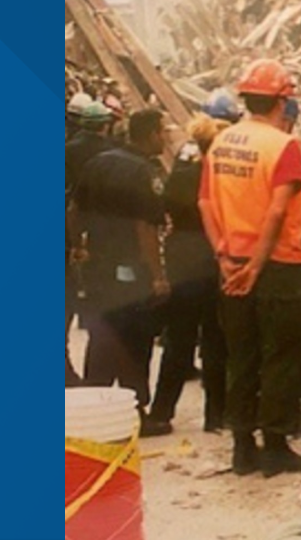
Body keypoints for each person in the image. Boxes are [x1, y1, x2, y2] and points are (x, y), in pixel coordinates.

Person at [199, 58, 301, 476]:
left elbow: (206, 203)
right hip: (278, 266)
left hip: (230, 265)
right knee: (281, 357)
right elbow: (276, 211)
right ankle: (276, 446)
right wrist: (257, 265)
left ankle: (242, 447)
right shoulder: (284, 146)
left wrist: (225, 257)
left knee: (241, 356)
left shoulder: (221, 142)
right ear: (283, 101)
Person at [74, 107, 171, 432]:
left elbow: (74, 209)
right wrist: (157, 275)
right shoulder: (145, 172)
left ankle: (93, 407)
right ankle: (134, 411)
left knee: (102, 335)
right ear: (151, 134)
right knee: (136, 340)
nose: (167, 137)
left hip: (99, 265)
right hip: (131, 269)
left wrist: (78, 246)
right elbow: (145, 227)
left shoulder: (97, 163)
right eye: (163, 131)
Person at [146, 113, 230, 435]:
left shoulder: (181, 170)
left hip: (182, 254)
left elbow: (166, 207)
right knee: (215, 339)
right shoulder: (216, 174)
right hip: (211, 254)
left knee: (179, 339)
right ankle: (216, 415)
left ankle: (161, 412)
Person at [66, 94, 117, 386]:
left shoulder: (66, 150)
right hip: (105, 235)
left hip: (71, 230)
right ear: (105, 125)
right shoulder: (112, 153)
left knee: (70, 294)